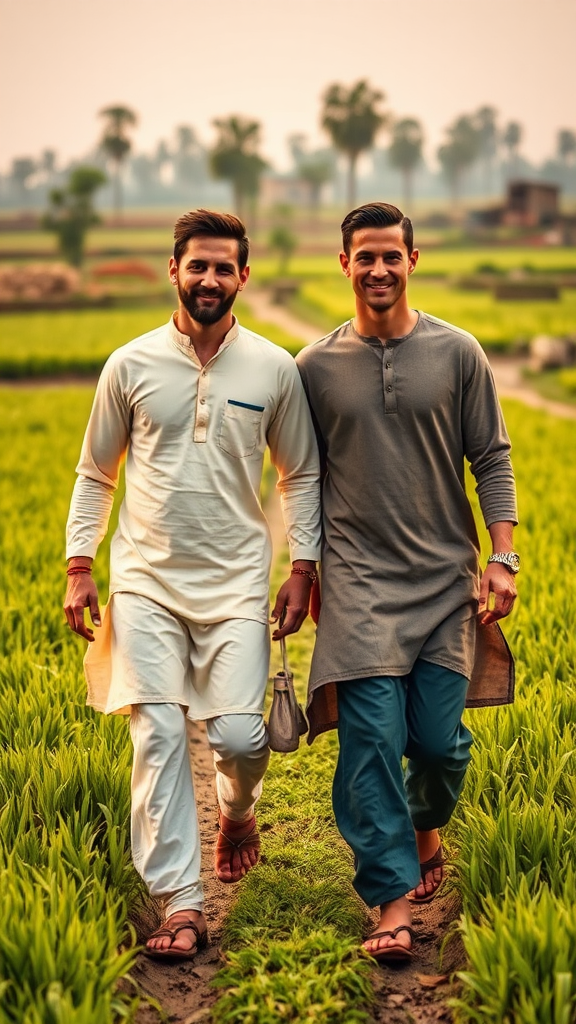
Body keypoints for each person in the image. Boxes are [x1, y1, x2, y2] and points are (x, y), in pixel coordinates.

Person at [64, 209, 321, 962]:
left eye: (223, 268)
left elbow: (300, 472)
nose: (209, 279)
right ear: (172, 270)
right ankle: (180, 902)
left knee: (242, 738)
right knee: (160, 733)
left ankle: (238, 814)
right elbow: (95, 472)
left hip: (238, 582)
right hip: (144, 582)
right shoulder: (131, 364)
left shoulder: (274, 368)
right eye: (196, 266)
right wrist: (81, 566)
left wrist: (302, 567)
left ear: (243, 277)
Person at [296, 202, 518, 964]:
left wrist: (504, 555)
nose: (380, 269)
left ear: (412, 260)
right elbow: (300, 477)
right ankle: (390, 903)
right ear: (345, 264)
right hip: (357, 584)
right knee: (370, 745)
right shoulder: (313, 368)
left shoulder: (458, 353)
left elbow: (490, 455)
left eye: (392, 255)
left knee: (437, 743)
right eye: (366, 256)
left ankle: (427, 827)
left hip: (442, 583)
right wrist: (302, 568)